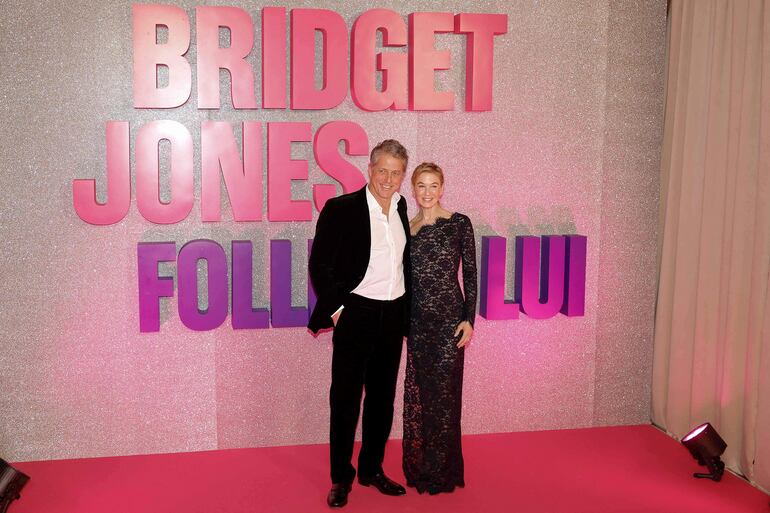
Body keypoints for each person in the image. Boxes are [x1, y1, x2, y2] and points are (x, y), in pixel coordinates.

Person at [308, 140, 411, 508]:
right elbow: (321, 264)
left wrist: (406, 317)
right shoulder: (342, 209)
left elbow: (404, 267)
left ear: (402, 176)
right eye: (382, 170)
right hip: (356, 315)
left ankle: (371, 470)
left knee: (382, 401)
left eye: (395, 172)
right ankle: (341, 478)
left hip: (392, 314)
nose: (388, 178)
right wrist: (338, 312)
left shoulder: (401, 208)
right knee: (346, 401)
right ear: (369, 169)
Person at [402, 162, 477, 495]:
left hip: (450, 323)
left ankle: (442, 472)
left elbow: (471, 275)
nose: (427, 192)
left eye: (433, 185)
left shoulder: (459, 224)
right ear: (413, 189)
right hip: (418, 325)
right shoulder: (406, 227)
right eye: (421, 186)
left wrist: (468, 318)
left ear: (442, 187)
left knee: (445, 399)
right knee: (424, 396)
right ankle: (424, 467)